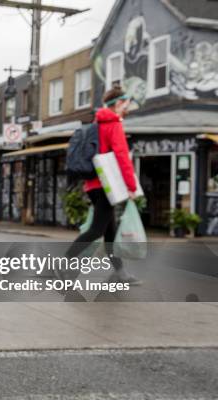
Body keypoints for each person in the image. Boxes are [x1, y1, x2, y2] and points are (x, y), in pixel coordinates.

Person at [64, 85, 141, 285]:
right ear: (118, 103)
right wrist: (131, 186)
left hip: (92, 185)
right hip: (108, 186)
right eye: (126, 104)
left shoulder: (96, 124)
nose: (127, 109)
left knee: (109, 231)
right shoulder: (113, 124)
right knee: (97, 231)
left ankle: (120, 273)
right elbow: (122, 157)